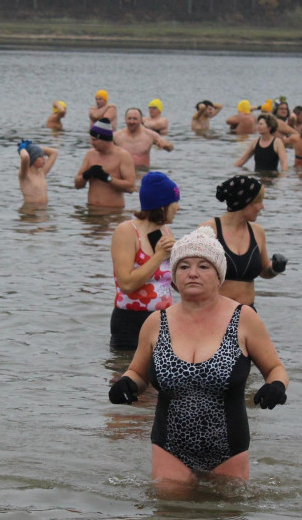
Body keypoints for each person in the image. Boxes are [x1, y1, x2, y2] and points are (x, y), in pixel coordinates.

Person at [108, 226, 289, 486]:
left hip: (229, 448)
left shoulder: (244, 319)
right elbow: (137, 373)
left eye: (203, 266)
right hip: (169, 446)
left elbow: (276, 368)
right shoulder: (156, 322)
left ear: (219, 276)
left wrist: (276, 386)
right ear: (173, 277)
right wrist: (126, 383)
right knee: (168, 518)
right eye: (183, 267)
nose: (192, 273)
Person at [109, 172, 181, 349]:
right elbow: (126, 284)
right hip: (131, 321)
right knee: (126, 374)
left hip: (162, 320)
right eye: (175, 202)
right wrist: (159, 256)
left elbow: (174, 282)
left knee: (159, 376)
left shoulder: (166, 231)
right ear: (162, 205)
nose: (178, 208)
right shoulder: (126, 231)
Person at [202, 175, 286, 308]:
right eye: (258, 201)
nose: (262, 207)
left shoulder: (258, 232)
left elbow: (264, 271)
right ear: (245, 201)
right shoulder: (209, 230)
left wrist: (275, 269)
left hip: (247, 313)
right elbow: (193, 274)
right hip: (214, 312)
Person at [74, 120, 136, 208]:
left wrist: (107, 178)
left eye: (94, 140)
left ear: (105, 139)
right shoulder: (90, 154)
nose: (92, 143)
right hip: (91, 211)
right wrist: (86, 175)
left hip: (113, 213)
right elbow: (77, 185)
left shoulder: (123, 156)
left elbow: (130, 188)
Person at [17, 140, 58, 205]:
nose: (44, 159)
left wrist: (34, 147)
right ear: (33, 158)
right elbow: (25, 157)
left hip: (43, 210)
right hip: (30, 211)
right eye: (40, 156)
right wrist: (22, 148)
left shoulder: (42, 172)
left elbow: (54, 152)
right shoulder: (25, 175)